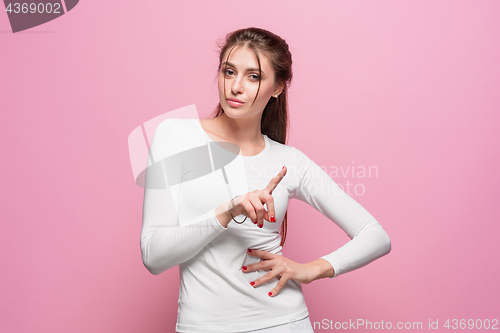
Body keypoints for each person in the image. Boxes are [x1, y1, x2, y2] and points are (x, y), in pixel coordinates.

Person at [140, 27, 391, 333]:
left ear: (277, 88)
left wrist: (312, 269)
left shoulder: (289, 162)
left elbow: (375, 235)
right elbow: (153, 256)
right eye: (229, 72)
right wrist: (226, 212)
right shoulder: (176, 136)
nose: (235, 86)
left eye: (254, 76)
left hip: (283, 323)